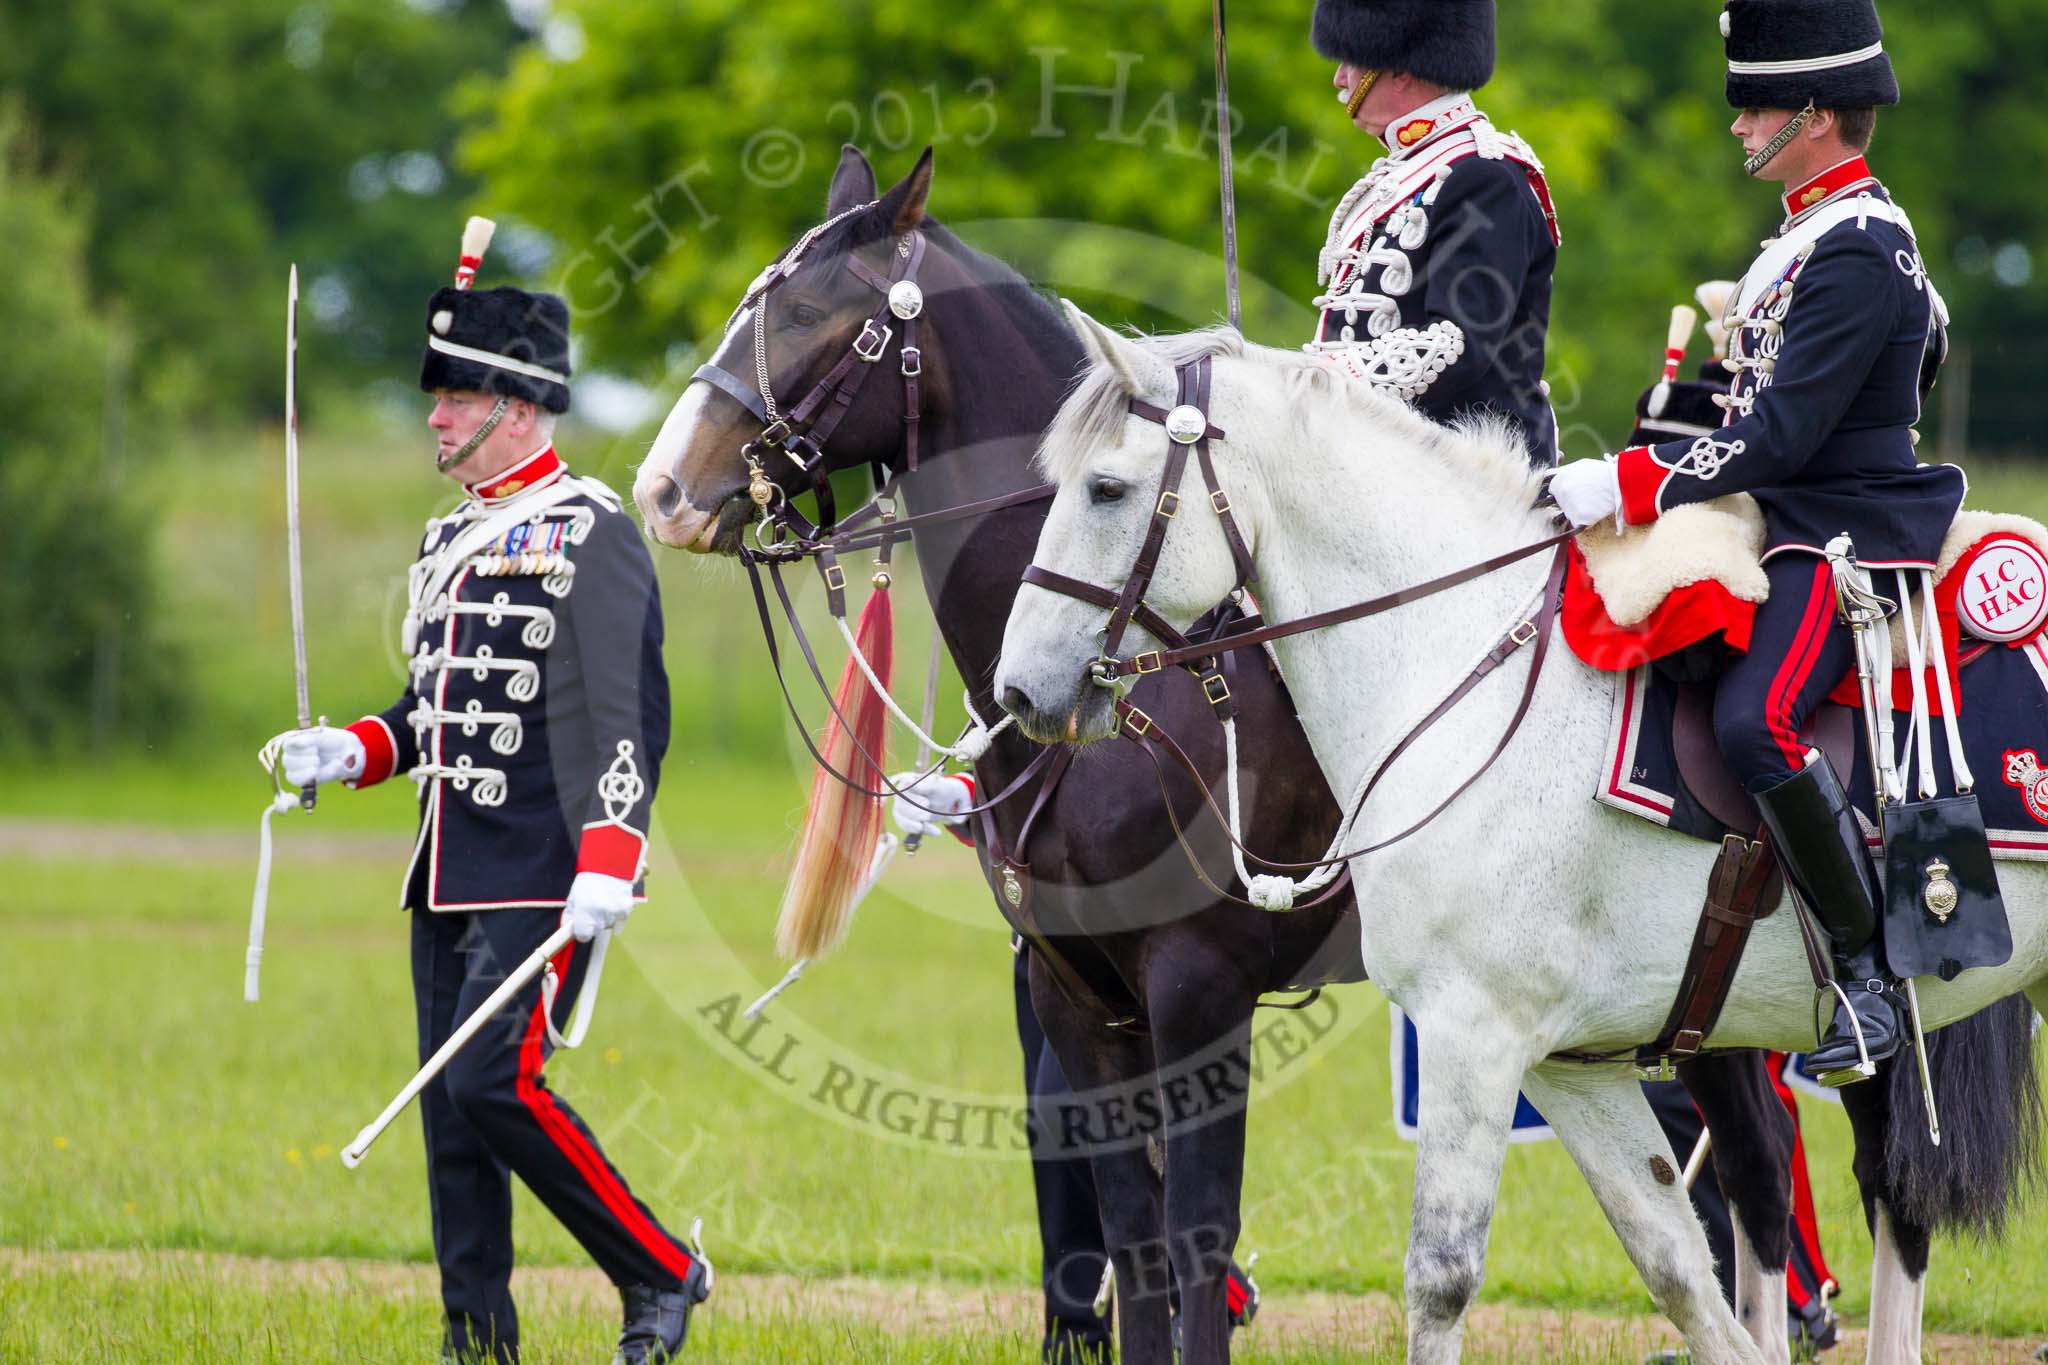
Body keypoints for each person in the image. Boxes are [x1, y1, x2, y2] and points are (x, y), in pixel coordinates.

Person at [270, 226, 708, 1362]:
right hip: (448, 864)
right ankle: (477, 1337)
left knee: (492, 1080)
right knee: (450, 1121)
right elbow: (434, 708)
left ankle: (661, 1273)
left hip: (545, 864)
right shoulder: (451, 540)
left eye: (456, 396)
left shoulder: (590, 532)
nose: (436, 416)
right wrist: (356, 747)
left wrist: (613, 855)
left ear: (517, 406)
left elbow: (625, 713)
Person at [1550, 0, 1963, 1084]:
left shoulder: (1862, 246)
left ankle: (1871, 980)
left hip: (1843, 531)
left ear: (1816, 115)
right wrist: (1672, 422)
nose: (1738, 127)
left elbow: (1784, 434)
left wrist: (1631, 478)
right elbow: (1758, 415)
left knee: (1755, 718)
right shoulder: (1803, 235)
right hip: (1783, 509)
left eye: (1757, 108)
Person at [1305, 0, 1562, 465]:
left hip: (1475, 478)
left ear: (1401, 69)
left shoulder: (1487, 176)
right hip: (1385, 460)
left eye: (1351, 61)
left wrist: (1317, 378)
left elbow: (1456, 341)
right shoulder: (1411, 172)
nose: (1339, 79)